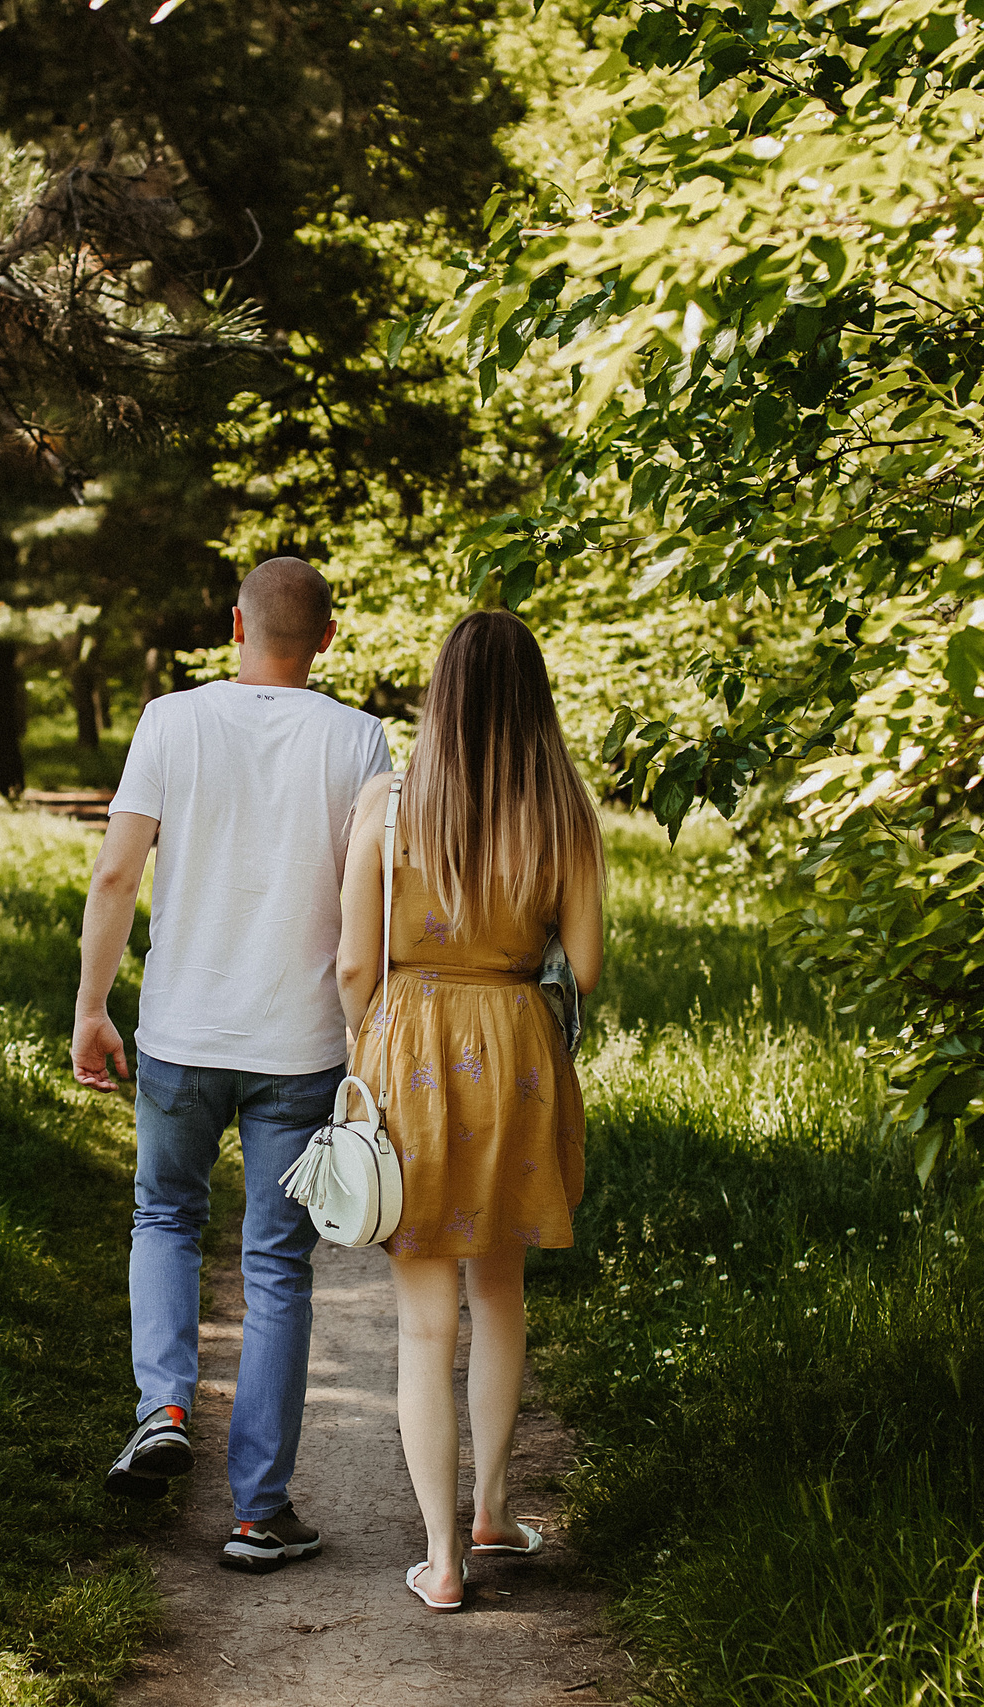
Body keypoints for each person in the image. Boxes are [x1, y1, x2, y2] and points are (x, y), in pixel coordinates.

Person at [72, 556, 393, 1573]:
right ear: (328, 640)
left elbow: (118, 869)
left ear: (233, 626)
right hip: (298, 1045)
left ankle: (163, 1406)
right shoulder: (359, 738)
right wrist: (367, 1038)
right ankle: (259, 1513)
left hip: (179, 1030)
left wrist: (91, 1005)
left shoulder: (170, 720)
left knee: (164, 1216)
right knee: (276, 1265)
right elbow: (370, 909)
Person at [333, 609, 605, 1614]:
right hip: (515, 1048)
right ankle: (492, 1510)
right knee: (499, 1296)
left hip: (407, 1046)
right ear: (533, 699)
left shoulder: (387, 805)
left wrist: (363, 1049)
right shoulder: (563, 812)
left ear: (439, 693)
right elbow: (585, 965)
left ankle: (442, 1561)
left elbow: (356, 961)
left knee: (420, 1328)